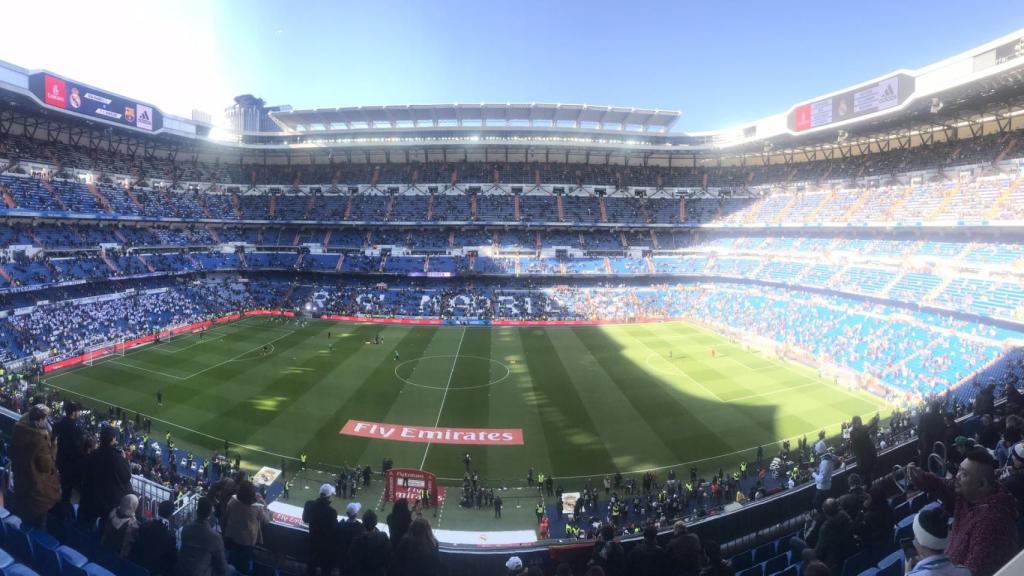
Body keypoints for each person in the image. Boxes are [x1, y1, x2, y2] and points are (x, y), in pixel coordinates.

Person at [907, 447, 1019, 576]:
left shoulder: (991, 524)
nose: (957, 476)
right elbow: (944, 486)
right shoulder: (968, 495)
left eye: (964, 474)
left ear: (981, 484)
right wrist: (921, 477)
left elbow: (973, 571)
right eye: (959, 470)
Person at [10, 404, 60, 528]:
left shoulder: (18, 430)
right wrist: (53, 445)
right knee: (36, 525)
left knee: (24, 519)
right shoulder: (39, 440)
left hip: (21, 483)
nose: (46, 421)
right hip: (35, 490)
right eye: (45, 419)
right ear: (39, 420)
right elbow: (46, 466)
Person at [904, 507, 971, 576]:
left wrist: (907, 573)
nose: (913, 540)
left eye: (915, 536)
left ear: (920, 542)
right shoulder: (964, 571)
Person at [176, 496, 234, 576]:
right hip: (201, 572)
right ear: (209, 514)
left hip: (184, 570)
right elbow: (222, 566)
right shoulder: (214, 537)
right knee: (232, 569)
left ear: (197, 511)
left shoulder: (185, 529)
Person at [223, 480, 271, 574]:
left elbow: (226, 516)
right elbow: (267, 520)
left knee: (231, 561)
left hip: (231, 537)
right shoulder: (257, 508)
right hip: (247, 542)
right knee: (244, 566)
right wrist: (264, 504)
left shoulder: (232, 501)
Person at [129, 500, 178, 575]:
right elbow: (172, 558)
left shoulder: (145, 525)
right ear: (171, 515)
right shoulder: (170, 536)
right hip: (152, 570)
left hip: (136, 563)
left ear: (158, 510)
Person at [53, 400, 86, 504]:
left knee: (62, 485)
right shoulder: (77, 429)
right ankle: (63, 510)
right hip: (70, 465)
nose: (80, 414)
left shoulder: (59, 424)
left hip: (59, 460)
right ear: (74, 412)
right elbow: (79, 450)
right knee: (66, 491)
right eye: (79, 411)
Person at [303, 484, 338, 575]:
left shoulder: (309, 504)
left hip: (312, 540)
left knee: (310, 566)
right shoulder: (332, 512)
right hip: (325, 545)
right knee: (325, 568)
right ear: (329, 496)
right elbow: (333, 529)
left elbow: (305, 519)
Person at [349, 509, 391, 576]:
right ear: (376, 523)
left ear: (363, 522)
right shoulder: (383, 537)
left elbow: (352, 561)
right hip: (378, 572)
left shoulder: (357, 540)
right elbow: (388, 556)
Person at [101, 493, 140, 559]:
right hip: (116, 557)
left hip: (103, 549)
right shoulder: (132, 525)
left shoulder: (112, 512)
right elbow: (126, 547)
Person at [849, 414, 879, 483]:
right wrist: (872, 422)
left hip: (869, 458)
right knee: (867, 479)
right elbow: (863, 431)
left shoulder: (861, 430)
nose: (860, 423)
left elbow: (869, 429)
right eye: (859, 422)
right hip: (864, 461)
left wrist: (874, 421)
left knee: (872, 477)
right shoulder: (853, 432)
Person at [336, 502, 363, 574]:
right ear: (356, 514)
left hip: (341, 557)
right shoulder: (360, 527)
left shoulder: (341, 524)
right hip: (353, 559)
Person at [811, 440, 837, 512]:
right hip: (825, 486)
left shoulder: (826, 462)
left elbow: (822, 479)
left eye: (816, 450)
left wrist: (813, 473)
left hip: (823, 488)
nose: (816, 452)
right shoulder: (828, 457)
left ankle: (824, 516)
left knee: (817, 504)